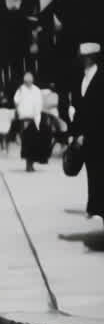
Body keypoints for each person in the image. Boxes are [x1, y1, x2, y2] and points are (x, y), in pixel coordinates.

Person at [69, 42, 102, 227]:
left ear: (91, 58)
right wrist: (76, 133)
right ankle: (93, 206)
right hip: (87, 134)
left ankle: (97, 207)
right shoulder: (82, 78)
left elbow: (97, 109)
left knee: (99, 171)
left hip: (98, 133)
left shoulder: (100, 77)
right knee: (91, 169)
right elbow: (80, 109)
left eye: (84, 58)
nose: (82, 61)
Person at [14, 71, 47, 172]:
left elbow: (39, 103)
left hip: (34, 119)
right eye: (26, 81)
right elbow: (16, 101)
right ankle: (28, 164)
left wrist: (38, 117)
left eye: (29, 81)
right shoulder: (20, 90)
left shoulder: (36, 90)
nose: (28, 82)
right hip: (24, 119)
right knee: (26, 142)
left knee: (34, 143)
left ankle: (32, 163)